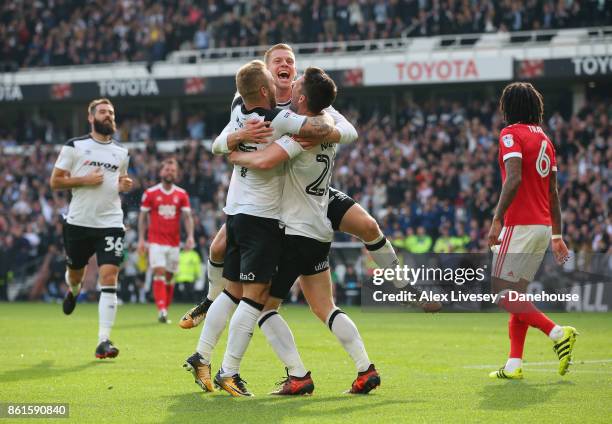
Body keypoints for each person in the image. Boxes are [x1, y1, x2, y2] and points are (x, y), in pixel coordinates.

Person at [179, 42, 437, 329]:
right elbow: (219, 142)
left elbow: (350, 131)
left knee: (368, 226)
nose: (285, 65)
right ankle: (210, 300)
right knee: (218, 249)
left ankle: (404, 288)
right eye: (278, 60)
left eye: (289, 60)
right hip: (275, 202)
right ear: (267, 70)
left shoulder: (308, 101)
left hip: (315, 192)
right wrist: (237, 138)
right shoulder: (249, 101)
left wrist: (323, 132)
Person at [183, 59, 337, 397]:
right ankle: (229, 370)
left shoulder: (239, 106)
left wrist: (236, 139)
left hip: (236, 214)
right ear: (266, 89)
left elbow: (216, 145)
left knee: (232, 291)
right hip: (261, 219)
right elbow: (318, 129)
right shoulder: (278, 119)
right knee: (256, 298)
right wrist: (329, 127)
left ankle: (201, 355)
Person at [229, 67, 380, 394]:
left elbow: (267, 161)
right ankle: (365, 369)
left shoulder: (301, 135)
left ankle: (298, 375)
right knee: (324, 306)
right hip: (320, 230)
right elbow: (347, 131)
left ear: (300, 98)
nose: (290, 83)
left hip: (294, 233)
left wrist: (235, 153)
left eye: (295, 84)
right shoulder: (328, 128)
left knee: (264, 307)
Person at [487, 82, 577, 380]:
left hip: (520, 224)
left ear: (508, 107)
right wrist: (556, 234)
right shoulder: (546, 141)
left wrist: (498, 218)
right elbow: (553, 193)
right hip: (541, 226)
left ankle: (557, 333)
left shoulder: (511, 134)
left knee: (502, 293)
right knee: (517, 294)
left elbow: (512, 179)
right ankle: (514, 364)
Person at [49, 98, 133, 359]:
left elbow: (119, 180)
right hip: (78, 223)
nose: (108, 116)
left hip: (111, 222)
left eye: (111, 112)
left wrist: (124, 184)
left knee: (109, 277)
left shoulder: (121, 152)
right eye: (103, 112)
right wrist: (84, 180)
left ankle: (103, 341)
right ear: (91, 117)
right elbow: (55, 181)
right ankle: (73, 292)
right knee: (76, 276)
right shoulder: (75, 146)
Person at [138, 158, 194, 323]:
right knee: (159, 272)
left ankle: (164, 308)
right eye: (167, 170)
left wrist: (190, 236)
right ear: (161, 172)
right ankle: (162, 310)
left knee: (169, 277)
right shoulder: (150, 193)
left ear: (176, 174)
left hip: (174, 242)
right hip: (155, 241)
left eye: (172, 171)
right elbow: (142, 217)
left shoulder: (181, 194)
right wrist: (141, 239)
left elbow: (187, 217)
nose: (169, 173)